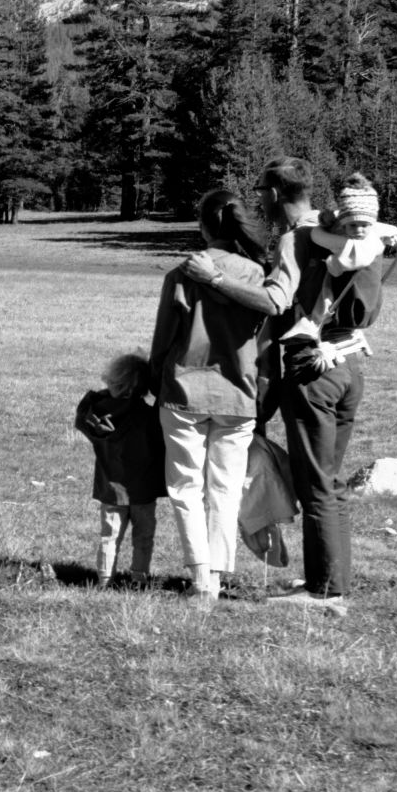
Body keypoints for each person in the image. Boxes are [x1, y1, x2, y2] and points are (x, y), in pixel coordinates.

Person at [262, 169, 397, 612]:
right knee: (333, 481)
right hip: (350, 366)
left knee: (316, 484)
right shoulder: (376, 245)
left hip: (315, 369)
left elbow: (337, 245)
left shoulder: (342, 244)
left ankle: (324, 590)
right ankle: (331, 578)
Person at [144, 186, 277, 601]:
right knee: (226, 487)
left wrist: (153, 381)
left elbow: (163, 340)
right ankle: (217, 575)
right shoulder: (257, 276)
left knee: (185, 487)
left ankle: (200, 575)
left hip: (183, 389)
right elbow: (268, 342)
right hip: (239, 393)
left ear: (203, 227)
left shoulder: (182, 274)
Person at [74, 351, 163, 588]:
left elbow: (82, 416)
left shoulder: (96, 413)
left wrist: (101, 396)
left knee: (109, 536)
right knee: (143, 537)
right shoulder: (148, 416)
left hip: (110, 488)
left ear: (113, 382)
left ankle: (104, 579)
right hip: (143, 489)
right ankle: (139, 579)